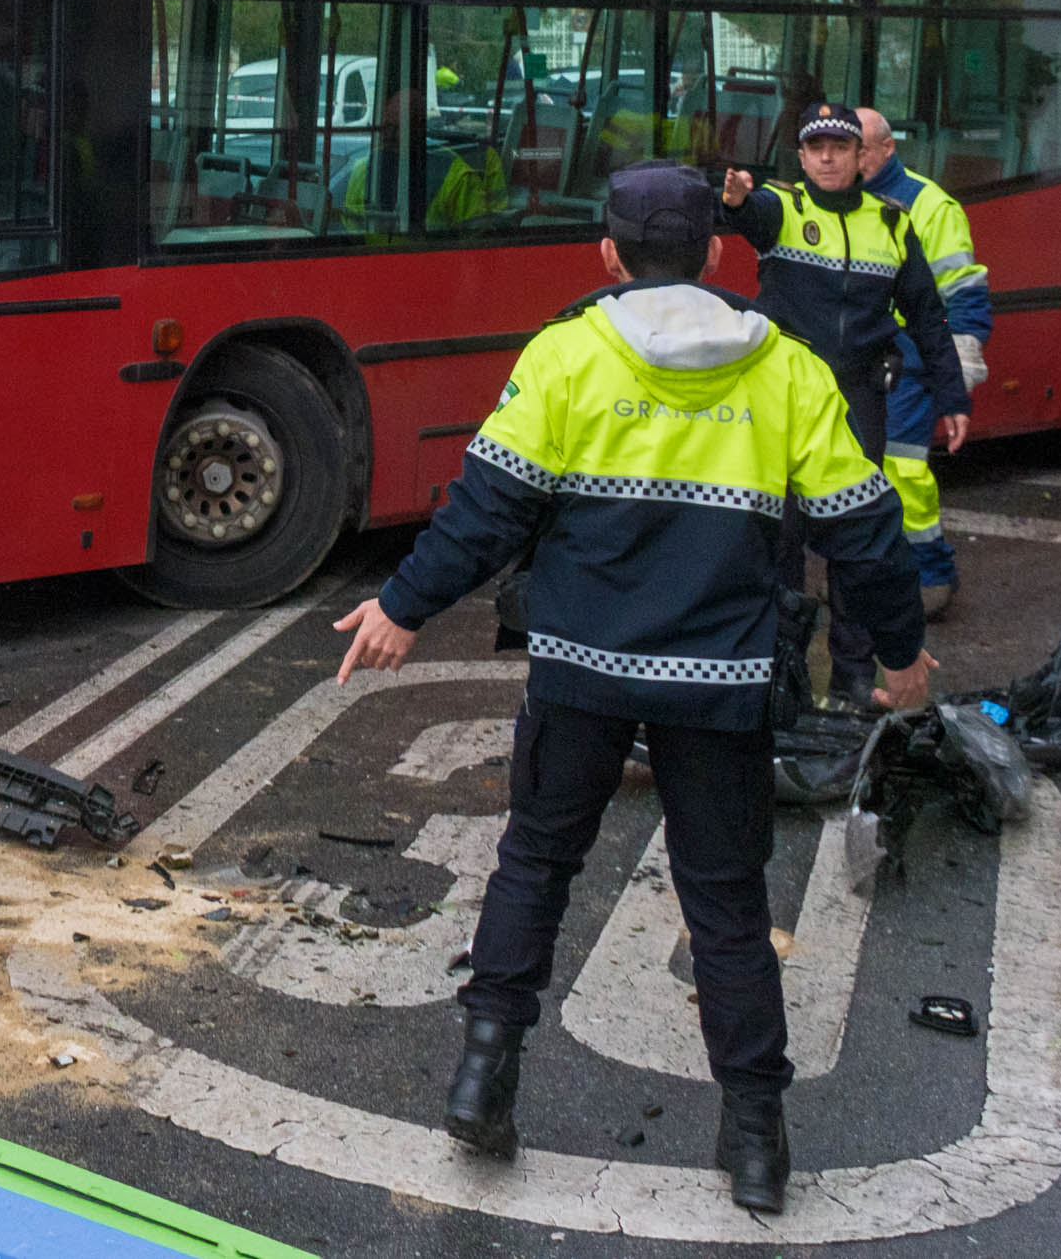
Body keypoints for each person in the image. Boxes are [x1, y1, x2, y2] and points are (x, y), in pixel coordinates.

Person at [334, 165, 928, 1218]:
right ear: (714, 255)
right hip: (720, 687)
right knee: (726, 907)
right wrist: (896, 653)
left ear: (605, 256)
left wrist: (401, 607)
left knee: (536, 863)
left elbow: (486, 512)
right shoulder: (787, 371)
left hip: (580, 674)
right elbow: (865, 533)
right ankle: (755, 1144)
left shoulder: (566, 354)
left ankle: (483, 1082)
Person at [721, 105, 963, 708]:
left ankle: (853, 675)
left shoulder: (891, 222)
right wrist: (731, 202)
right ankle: (783, 672)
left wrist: (952, 395)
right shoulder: (782, 210)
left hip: (858, 400)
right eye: (816, 148)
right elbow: (743, 216)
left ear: (863, 158)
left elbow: (928, 316)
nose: (828, 157)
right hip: (784, 399)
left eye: (839, 147)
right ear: (801, 159)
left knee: (856, 544)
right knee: (780, 544)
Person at [856, 108, 991, 621]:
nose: (849, 157)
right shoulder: (846, 200)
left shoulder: (930, 205)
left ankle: (930, 577)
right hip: (867, 360)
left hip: (911, 363)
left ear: (888, 148)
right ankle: (873, 576)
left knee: (902, 471)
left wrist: (957, 362)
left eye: (860, 148)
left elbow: (964, 290)